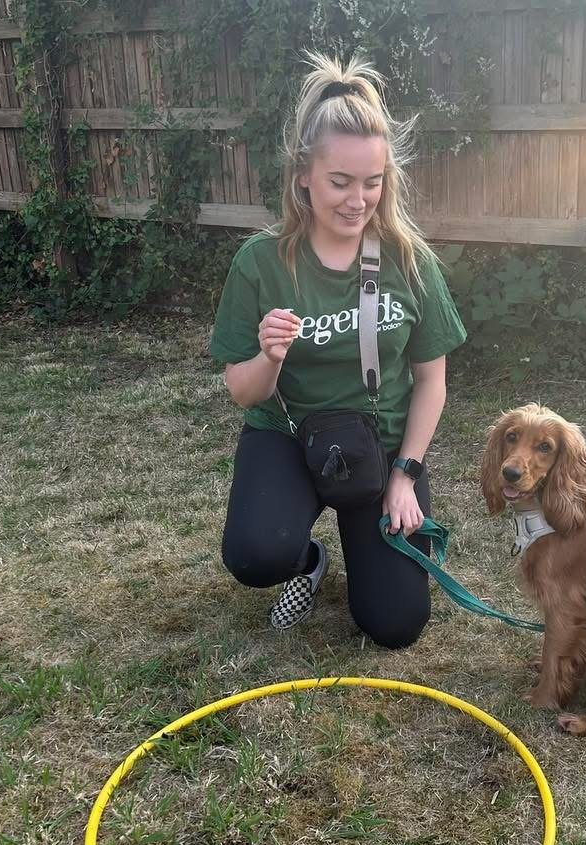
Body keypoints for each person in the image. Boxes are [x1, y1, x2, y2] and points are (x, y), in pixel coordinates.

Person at [211, 52, 467, 649]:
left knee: (396, 624)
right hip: (289, 434)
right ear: (304, 175)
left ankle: (369, 547)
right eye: (340, 182)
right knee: (255, 555)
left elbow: (433, 382)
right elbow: (242, 391)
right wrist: (269, 357)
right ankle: (304, 558)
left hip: (379, 446)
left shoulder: (409, 261)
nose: (358, 200)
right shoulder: (259, 262)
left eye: (372, 183)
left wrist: (406, 474)